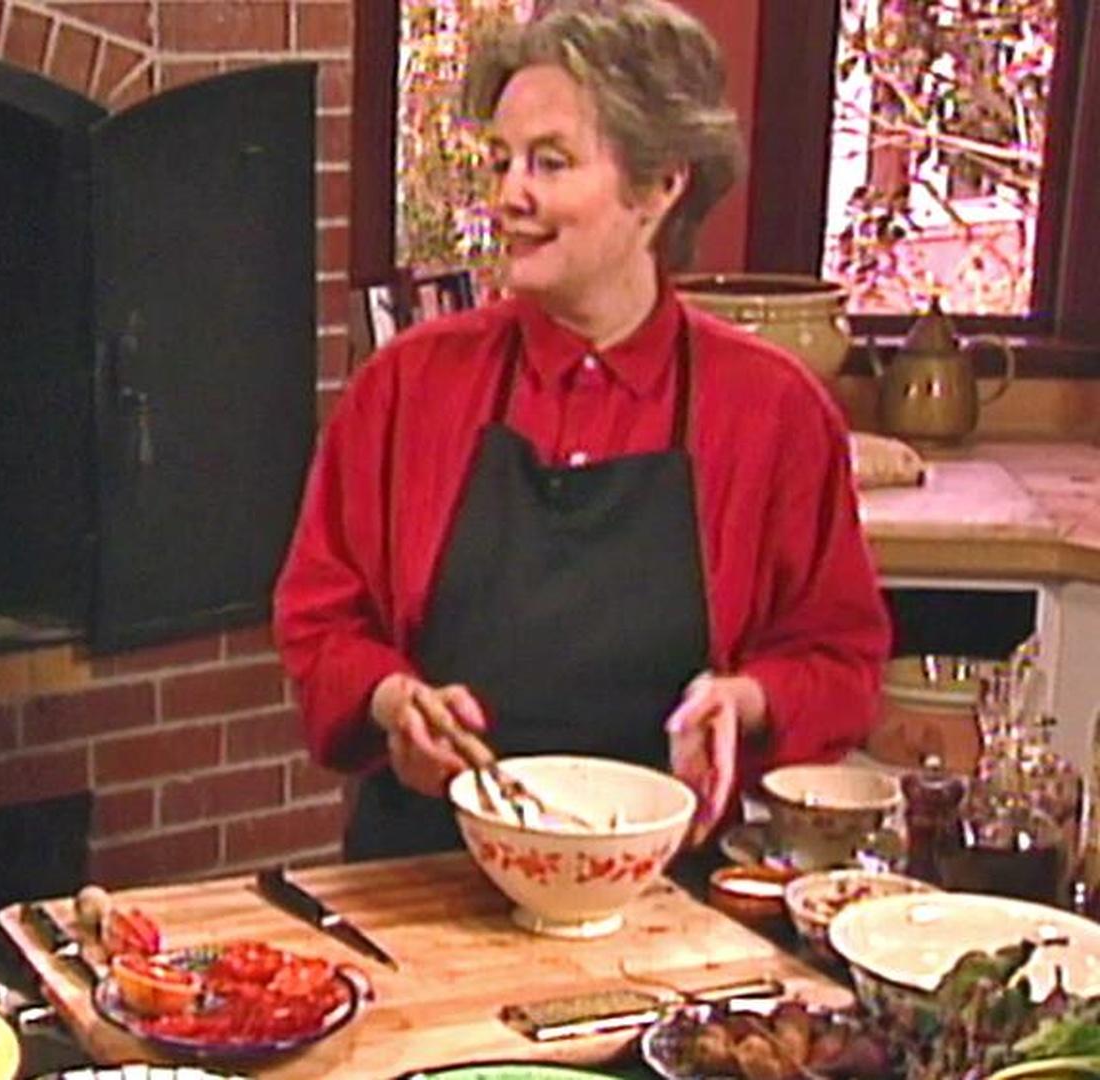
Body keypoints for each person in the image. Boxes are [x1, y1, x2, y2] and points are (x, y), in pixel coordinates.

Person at [273, 0, 890, 862]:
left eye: (550, 163)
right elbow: (318, 621)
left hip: (668, 893)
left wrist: (740, 701)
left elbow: (840, 659)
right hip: (419, 872)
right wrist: (390, 700)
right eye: (502, 161)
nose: (507, 195)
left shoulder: (773, 411)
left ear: (660, 184)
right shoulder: (407, 386)